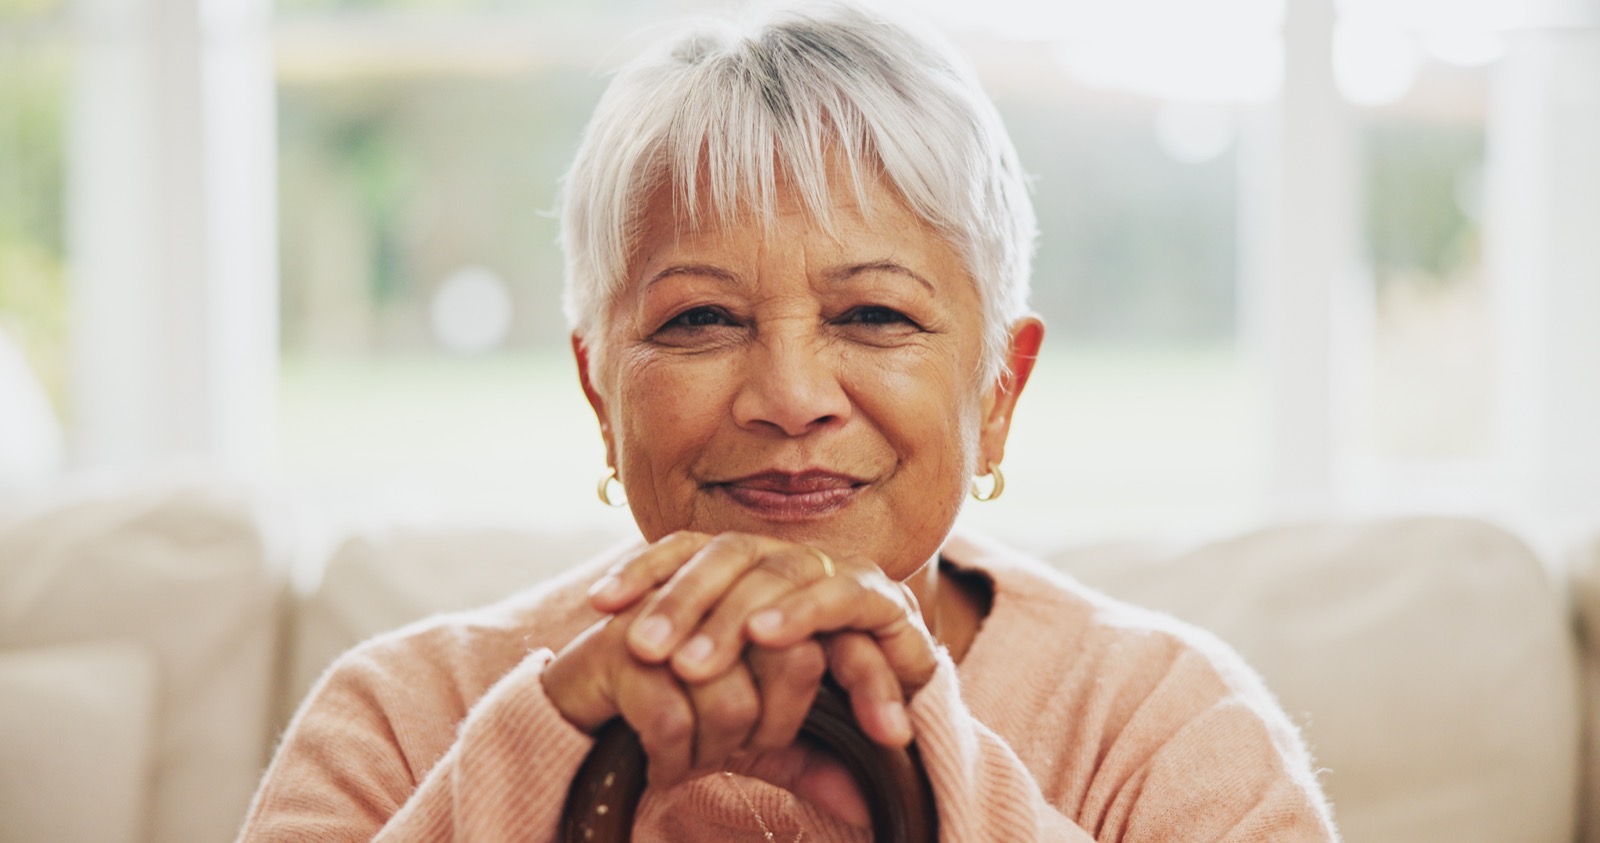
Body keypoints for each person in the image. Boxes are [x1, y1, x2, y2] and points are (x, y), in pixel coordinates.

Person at [237, 3, 1338, 840]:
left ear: (999, 389)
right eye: (702, 317)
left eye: (872, 313)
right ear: (596, 389)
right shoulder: (396, 717)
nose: (790, 395)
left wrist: (929, 770)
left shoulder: (1167, 727)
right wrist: (545, 755)